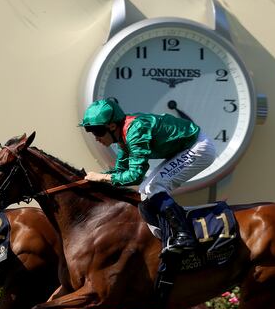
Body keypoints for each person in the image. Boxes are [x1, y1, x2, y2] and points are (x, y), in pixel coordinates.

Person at [80, 98, 216, 255]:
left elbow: (136, 176)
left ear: (111, 126)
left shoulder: (135, 131)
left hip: (199, 147)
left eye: (98, 131)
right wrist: (97, 179)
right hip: (184, 148)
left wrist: (101, 178)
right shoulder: (122, 134)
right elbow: (119, 171)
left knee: (153, 186)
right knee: (145, 191)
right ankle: (168, 237)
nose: (96, 138)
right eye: (91, 132)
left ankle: (185, 236)